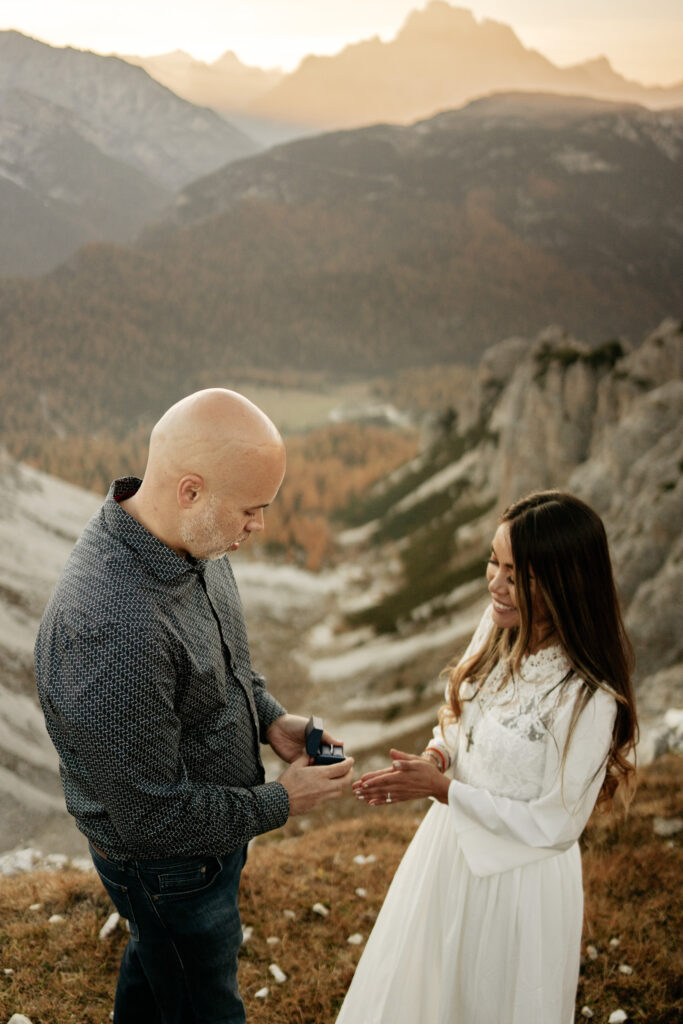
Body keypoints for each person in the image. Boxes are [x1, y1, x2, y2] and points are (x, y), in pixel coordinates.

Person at [34, 388, 354, 1024]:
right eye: (251, 510)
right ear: (190, 490)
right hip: (168, 869)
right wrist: (283, 801)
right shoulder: (113, 625)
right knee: (204, 998)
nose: (259, 526)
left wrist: (270, 720)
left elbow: (222, 666)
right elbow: (149, 820)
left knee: (161, 969)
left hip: (211, 836)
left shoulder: (195, 537)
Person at [337, 490, 638, 1024]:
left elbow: (556, 825)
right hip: (447, 853)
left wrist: (442, 791)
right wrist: (437, 758)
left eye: (515, 574)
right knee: (425, 995)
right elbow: (460, 719)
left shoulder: (592, 698)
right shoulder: (500, 627)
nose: (494, 584)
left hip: (520, 886)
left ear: (564, 582)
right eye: (493, 563)